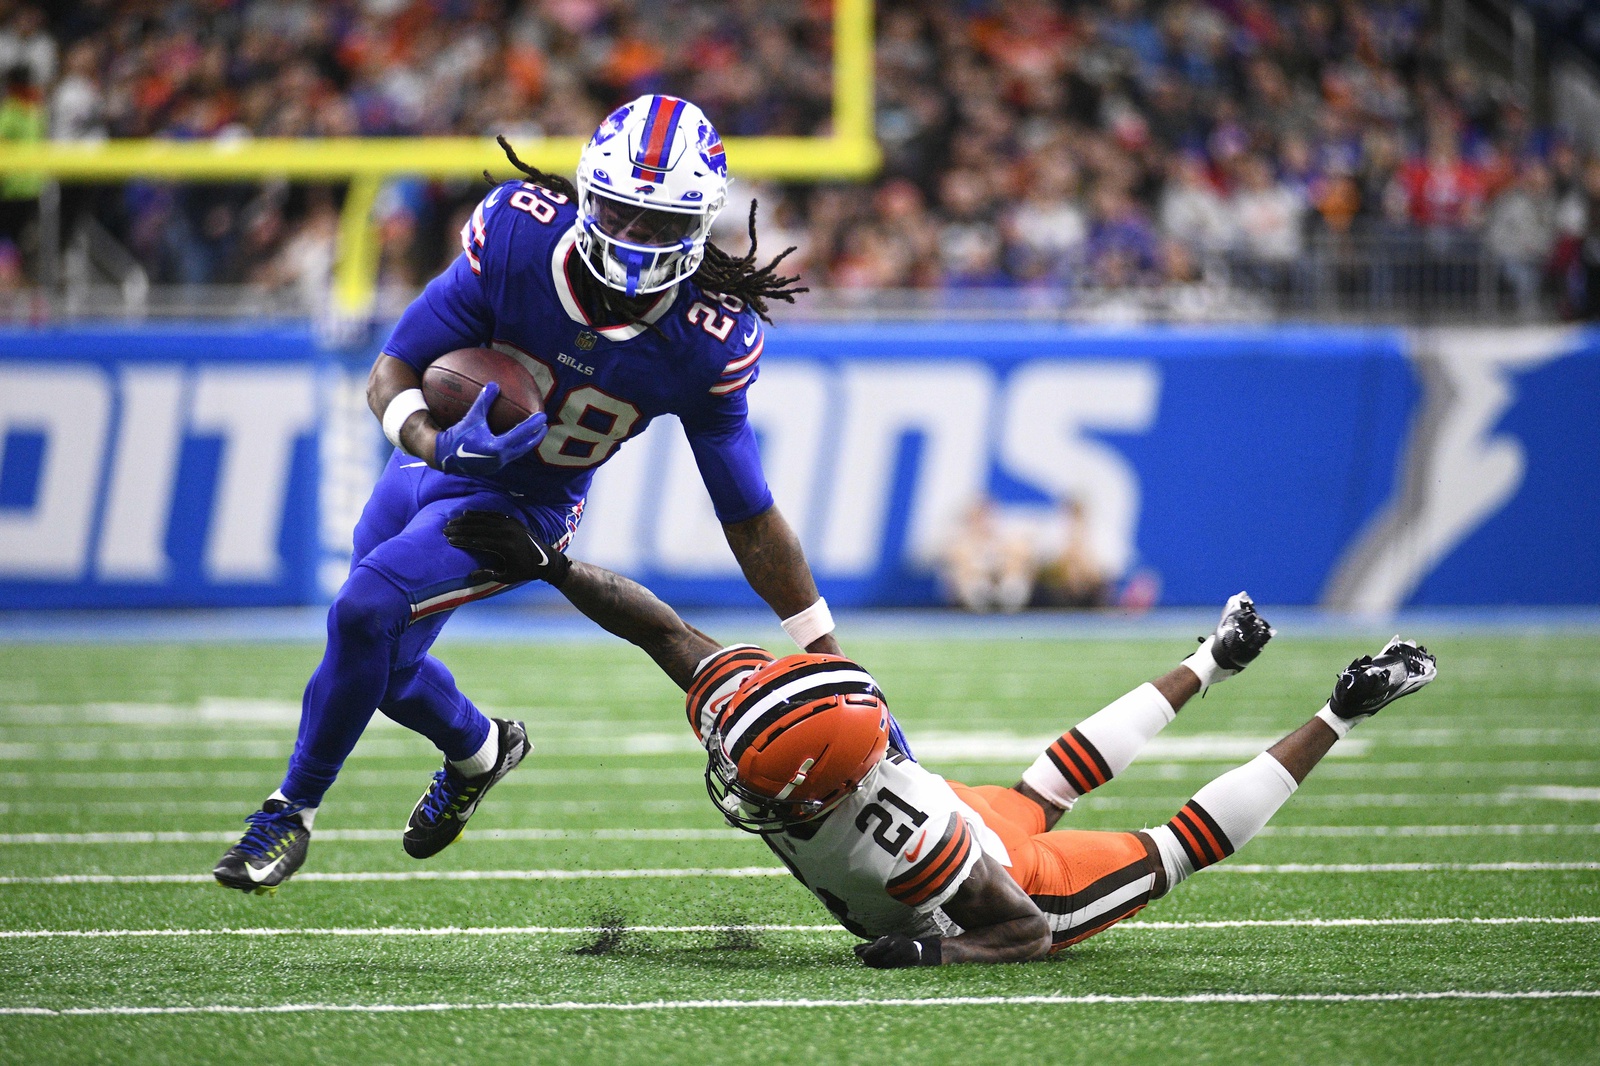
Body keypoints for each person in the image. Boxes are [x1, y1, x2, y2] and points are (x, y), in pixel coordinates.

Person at [214, 95, 853, 893]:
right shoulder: (519, 234)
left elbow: (749, 514)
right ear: (589, 195)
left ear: (698, 225)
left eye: (658, 223)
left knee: (362, 611)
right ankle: (482, 748)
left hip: (522, 507)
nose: (633, 239)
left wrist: (823, 650)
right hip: (431, 467)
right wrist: (436, 444)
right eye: (621, 211)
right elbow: (394, 371)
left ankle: (289, 812)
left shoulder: (705, 339)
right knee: (380, 662)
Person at [442, 513, 1438, 966]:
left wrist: (926, 957)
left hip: (1007, 877)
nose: (733, 779)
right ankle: (1211, 660)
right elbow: (658, 626)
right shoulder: (775, 726)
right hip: (948, 810)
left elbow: (1023, 930)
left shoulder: (907, 839)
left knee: (1170, 849)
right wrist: (553, 566)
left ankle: (1342, 707)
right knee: (1047, 780)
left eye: (756, 778)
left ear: (814, 790)